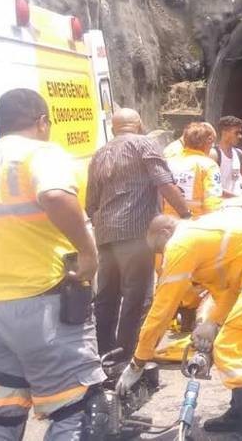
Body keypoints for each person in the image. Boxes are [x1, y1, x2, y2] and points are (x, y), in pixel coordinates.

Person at [0, 88, 106, 438]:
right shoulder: (40, 153)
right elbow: (55, 194)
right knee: (77, 406)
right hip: (41, 303)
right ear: (42, 122)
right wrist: (88, 253)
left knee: (2, 410)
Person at [118, 210, 242, 438]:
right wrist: (210, 321)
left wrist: (138, 361)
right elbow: (227, 290)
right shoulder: (206, 235)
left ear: (165, 233)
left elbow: (162, 309)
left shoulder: (180, 243)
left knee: (234, 349)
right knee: (231, 341)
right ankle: (241, 415)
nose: (163, 255)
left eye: (159, 249)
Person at [87, 108, 192, 357]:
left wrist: (101, 224)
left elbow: (90, 202)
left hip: (104, 233)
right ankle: (129, 355)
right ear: (140, 124)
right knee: (137, 297)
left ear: (113, 129)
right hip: (136, 233)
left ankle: (103, 353)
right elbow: (164, 182)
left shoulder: (99, 153)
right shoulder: (145, 144)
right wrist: (186, 215)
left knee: (106, 296)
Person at [164, 122, 222, 217]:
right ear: (208, 141)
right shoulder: (209, 165)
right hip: (194, 223)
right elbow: (212, 201)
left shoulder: (168, 162)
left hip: (168, 221)